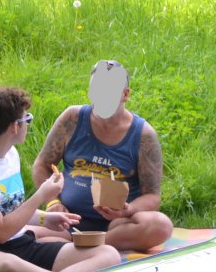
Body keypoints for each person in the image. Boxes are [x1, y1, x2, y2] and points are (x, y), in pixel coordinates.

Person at [0, 87, 122, 272]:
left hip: (17, 241)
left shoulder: (9, 154)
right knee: (9, 265)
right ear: (15, 127)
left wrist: (45, 218)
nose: (28, 124)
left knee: (108, 254)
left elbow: (9, 209)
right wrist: (42, 196)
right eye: (27, 120)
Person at [31, 60, 174, 251]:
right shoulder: (72, 118)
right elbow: (42, 164)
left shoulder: (143, 135)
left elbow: (152, 197)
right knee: (19, 232)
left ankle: (87, 246)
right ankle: (75, 245)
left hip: (115, 226)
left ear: (125, 94)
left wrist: (127, 209)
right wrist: (53, 201)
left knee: (161, 226)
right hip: (67, 220)